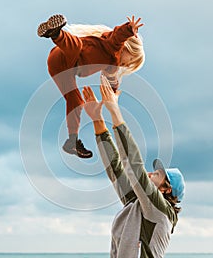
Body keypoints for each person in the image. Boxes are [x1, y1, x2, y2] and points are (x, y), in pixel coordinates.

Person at [82, 76, 185, 258]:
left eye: (157, 175)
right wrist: (98, 121)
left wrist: (115, 112)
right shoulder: (136, 205)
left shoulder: (160, 211)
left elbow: (134, 166)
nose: (150, 174)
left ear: (166, 189)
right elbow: (116, 168)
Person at [37, 14, 145, 158]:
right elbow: (118, 35)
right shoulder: (114, 45)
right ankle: (56, 33)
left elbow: (110, 81)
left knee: (76, 101)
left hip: (61, 69)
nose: (126, 65)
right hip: (67, 55)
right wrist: (129, 29)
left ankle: (72, 141)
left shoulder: (112, 66)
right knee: (76, 47)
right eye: (130, 60)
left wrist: (112, 96)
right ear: (128, 48)